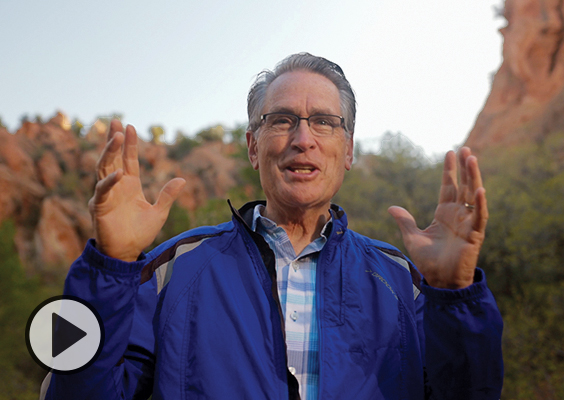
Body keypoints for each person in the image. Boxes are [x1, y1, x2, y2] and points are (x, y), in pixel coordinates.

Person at [42, 53, 503, 399]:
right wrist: (111, 266)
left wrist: (455, 294)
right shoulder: (173, 269)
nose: (303, 140)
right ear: (252, 146)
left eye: (323, 122)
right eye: (281, 120)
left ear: (348, 151)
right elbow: (76, 390)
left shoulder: (406, 282)